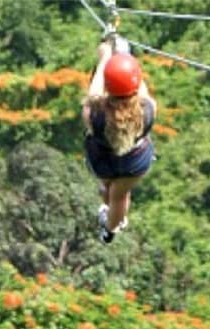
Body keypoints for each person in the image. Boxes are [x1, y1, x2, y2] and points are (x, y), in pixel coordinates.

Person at [82, 36, 157, 244]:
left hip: (103, 160)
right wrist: (125, 56)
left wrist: (105, 57)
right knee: (120, 194)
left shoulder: (95, 114)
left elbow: (94, 92)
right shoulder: (147, 110)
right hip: (135, 159)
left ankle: (114, 219)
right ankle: (111, 228)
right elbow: (138, 87)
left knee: (108, 190)